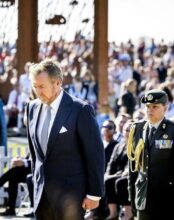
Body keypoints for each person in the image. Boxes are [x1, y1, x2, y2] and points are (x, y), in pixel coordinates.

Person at [26, 59, 104, 220]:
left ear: (58, 83)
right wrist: (36, 183)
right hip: (41, 196)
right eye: (35, 86)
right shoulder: (32, 108)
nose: (37, 91)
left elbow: (94, 154)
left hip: (71, 198)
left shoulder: (80, 109)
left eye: (41, 86)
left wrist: (94, 194)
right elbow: (35, 155)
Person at [127, 89, 174, 219]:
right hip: (143, 198)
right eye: (147, 107)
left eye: (155, 107)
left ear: (165, 108)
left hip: (168, 199)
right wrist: (132, 197)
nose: (150, 110)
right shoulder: (137, 129)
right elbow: (133, 168)